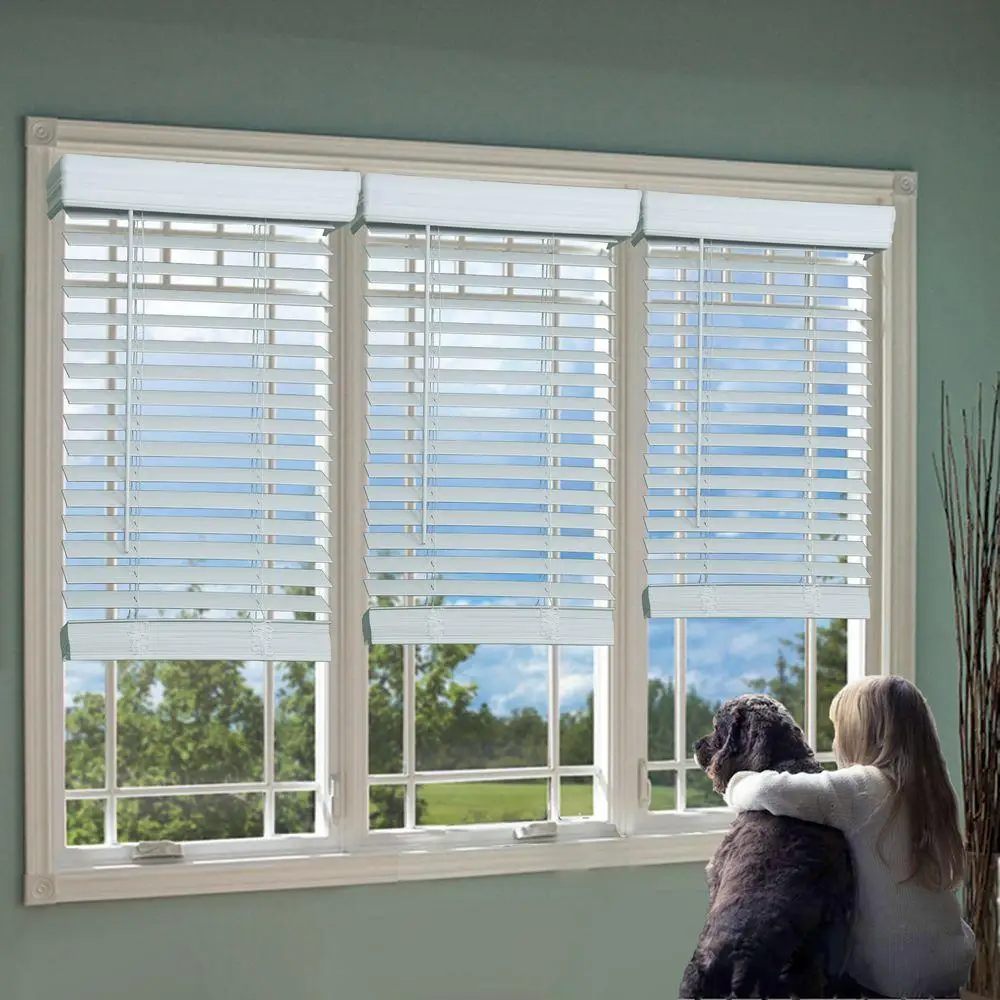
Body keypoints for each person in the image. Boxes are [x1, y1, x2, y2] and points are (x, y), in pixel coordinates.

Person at [723, 674, 975, 999]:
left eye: (840, 730)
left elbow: (770, 791)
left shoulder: (865, 787)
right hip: (951, 963)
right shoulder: (933, 790)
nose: (835, 742)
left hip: (894, 978)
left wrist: (735, 783)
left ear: (861, 735)